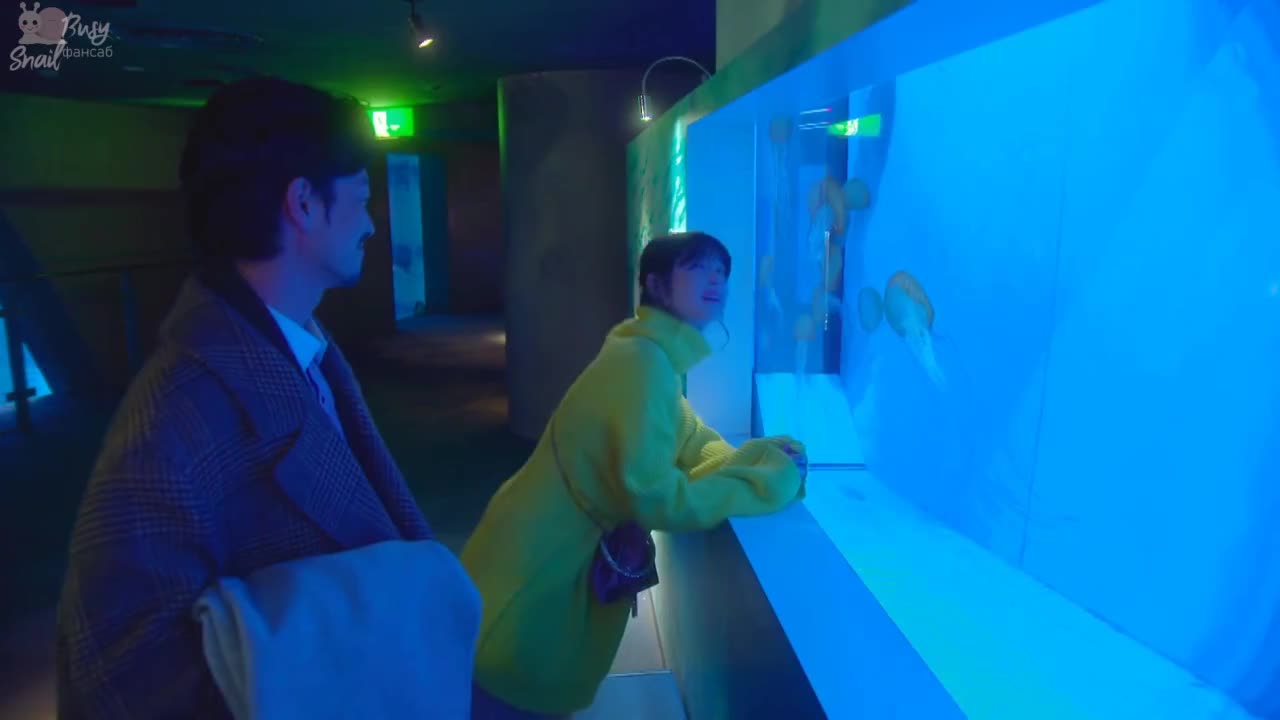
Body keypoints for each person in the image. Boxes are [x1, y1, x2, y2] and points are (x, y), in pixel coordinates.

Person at [54, 77, 446, 719]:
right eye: (361, 200)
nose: (373, 224)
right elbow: (115, 675)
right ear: (304, 204)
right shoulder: (174, 424)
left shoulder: (299, 346)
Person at [462, 231, 808, 718]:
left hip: (535, 541)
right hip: (540, 564)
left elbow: (691, 438)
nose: (716, 280)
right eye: (698, 267)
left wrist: (758, 457)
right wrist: (769, 483)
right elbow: (657, 498)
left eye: (722, 271)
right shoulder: (644, 364)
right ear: (657, 285)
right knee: (506, 689)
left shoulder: (647, 353)